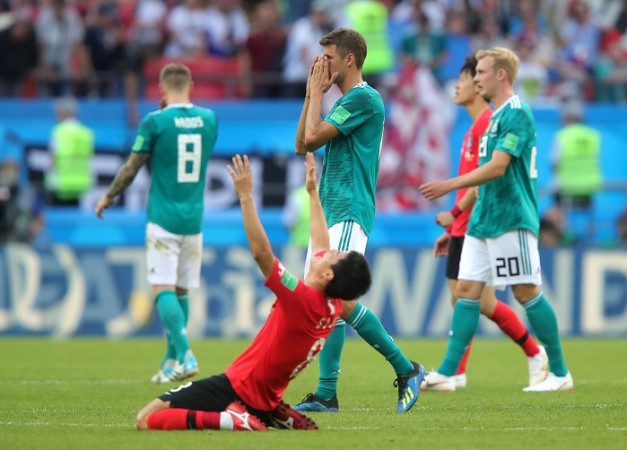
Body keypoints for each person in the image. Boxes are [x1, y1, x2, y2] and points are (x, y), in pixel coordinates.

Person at [135, 152, 373, 432]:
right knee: (255, 399)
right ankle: (271, 411)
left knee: (146, 419)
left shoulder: (301, 298)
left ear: (328, 274)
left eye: (334, 254)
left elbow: (262, 254)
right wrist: (312, 194)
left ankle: (230, 419)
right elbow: (320, 242)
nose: (328, 250)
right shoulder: (331, 306)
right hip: (265, 393)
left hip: (239, 386)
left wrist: (246, 197)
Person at [419, 47, 573, 392]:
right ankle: (448, 370)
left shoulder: (516, 113)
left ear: (500, 75)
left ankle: (560, 372)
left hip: (510, 217)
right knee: (466, 290)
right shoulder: (493, 119)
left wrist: (449, 185)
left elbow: (498, 167)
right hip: (482, 221)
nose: (475, 78)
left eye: (481, 72)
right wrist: (458, 214)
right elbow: (483, 178)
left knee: (525, 291)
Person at [293, 27, 425, 413]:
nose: (322, 65)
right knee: (323, 301)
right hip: (330, 210)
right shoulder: (342, 103)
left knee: (338, 299)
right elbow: (302, 143)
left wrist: (316, 93)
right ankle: (327, 394)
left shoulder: (365, 99)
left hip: (349, 208)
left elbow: (312, 138)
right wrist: (310, 94)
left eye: (328, 58)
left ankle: (405, 368)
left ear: (349, 59)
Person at [95, 63, 217, 384]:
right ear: (190, 84)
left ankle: (186, 352)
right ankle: (171, 360)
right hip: (194, 219)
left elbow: (131, 168)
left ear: (162, 89)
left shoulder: (154, 122)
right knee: (182, 291)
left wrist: (108, 197)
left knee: (162, 288)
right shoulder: (209, 119)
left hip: (163, 218)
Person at [45, 97, 95, 207]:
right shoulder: (86, 132)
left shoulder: (58, 131)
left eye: (57, 112)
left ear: (64, 113)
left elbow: (53, 157)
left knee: (59, 217)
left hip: (61, 183)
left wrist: (48, 177)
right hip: (81, 182)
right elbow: (89, 157)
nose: (55, 115)